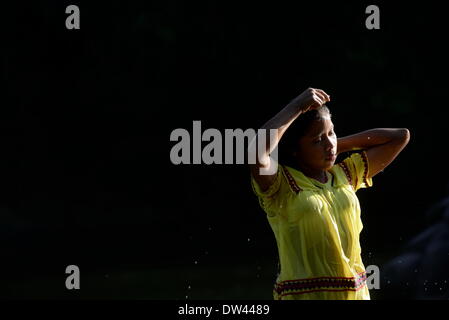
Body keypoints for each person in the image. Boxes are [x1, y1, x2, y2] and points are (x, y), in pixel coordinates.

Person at [248, 87, 410, 300]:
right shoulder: (281, 185)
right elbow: (254, 153)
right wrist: (297, 106)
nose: (329, 144)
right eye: (316, 141)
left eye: (331, 133)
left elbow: (399, 137)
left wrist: (332, 146)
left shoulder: (346, 174)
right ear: (295, 149)